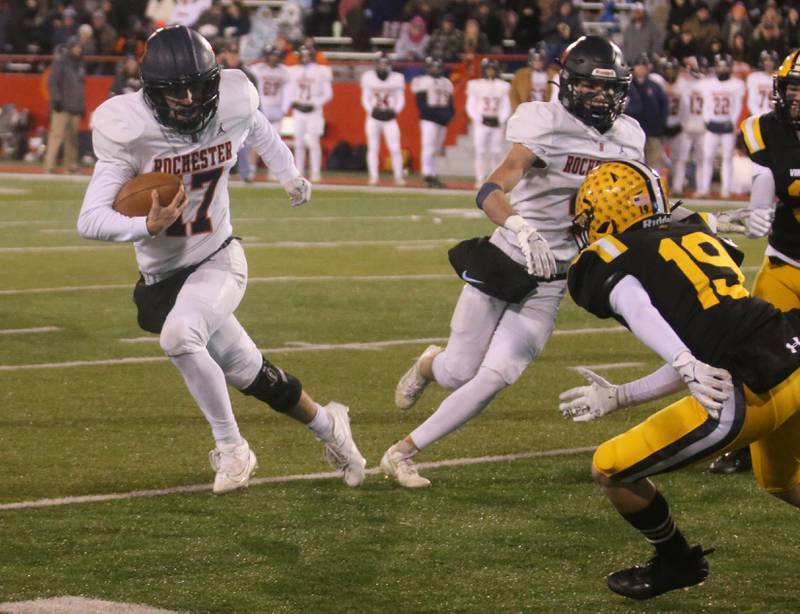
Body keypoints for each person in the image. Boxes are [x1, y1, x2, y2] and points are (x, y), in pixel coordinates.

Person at [76, 25, 366, 494]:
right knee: (253, 374)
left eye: (198, 86)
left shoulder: (233, 101)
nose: (189, 99)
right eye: (176, 90)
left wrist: (290, 175)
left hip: (218, 257)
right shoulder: (130, 130)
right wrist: (143, 226)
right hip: (163, 276)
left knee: (179, 335)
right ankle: (331, 426)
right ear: (151, 92)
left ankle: (232, 447)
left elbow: (259, 128)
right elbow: (89, 219)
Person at [381, 36, 645, 487]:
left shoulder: (629, 137)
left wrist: (709, 223)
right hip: (507, 258)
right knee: (457, 371)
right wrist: (520, 226)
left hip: (554, 277)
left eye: (609, 88)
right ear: (567, 84)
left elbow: (642, 203)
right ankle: (429, 364)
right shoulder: (545, 123)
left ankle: (402, 452)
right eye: (590, 87)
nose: (601, 97)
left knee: (497, 374)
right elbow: (492, 187)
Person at [558, 158, 800, 599]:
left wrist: (685, 363)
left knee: (610, 468)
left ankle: (676, 562)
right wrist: (623, 395)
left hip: (748, 387)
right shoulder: (693, 232)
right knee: (783, 481)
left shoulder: (609, 258)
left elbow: (635, 305)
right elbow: (709, 340)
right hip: (791, 353)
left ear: (608, 213)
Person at [709, 48, 800, 475]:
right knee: (758, 356)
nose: (797, 98)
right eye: (793, 88)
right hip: (784, 263)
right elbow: (762, 196)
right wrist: (754, 215)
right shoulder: (765, 131)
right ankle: (749, 443)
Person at [696, 53, 744, 198]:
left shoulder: (737, 84)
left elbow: (737, 106)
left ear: (730, 68)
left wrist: (733, 123)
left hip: (727, 124)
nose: (722, 69)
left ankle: (725, 190)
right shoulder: (709, 83)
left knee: (727, 158)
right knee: (707, 157)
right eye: (720, 66)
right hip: (713, 124)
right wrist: (707, 121)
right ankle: (704, 188)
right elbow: (706, 105)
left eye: (725, 66)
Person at [286, 45, 333, 183]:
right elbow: (288, 91)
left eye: (307, 55)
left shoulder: (321, 71)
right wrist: (294, 101)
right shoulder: (292, 71)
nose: (305, 58)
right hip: (299, 110)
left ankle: (315, 172)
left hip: (314, 111)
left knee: (314, 142)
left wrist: (315, 103)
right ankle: (298, 172)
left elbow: (328, 94)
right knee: (298, 142)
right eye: (303, 55)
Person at [360, 52, 406, 186]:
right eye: (380, 63)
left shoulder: (397, 78)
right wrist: (372, 111)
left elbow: (400, 99)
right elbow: (365, 98)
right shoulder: (368, 77)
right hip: (373, 117)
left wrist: (394, 111)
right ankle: (373, 176)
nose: (382, 66)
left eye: (385, 63)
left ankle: (398, 176)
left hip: (390, 118)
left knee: (395, 147)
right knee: (373, 147)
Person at [466, 58, 511, 188]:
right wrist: (479, 118)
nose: (490, 72)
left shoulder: (503, 86)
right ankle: (480, 178)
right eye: (488, 69)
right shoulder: (476, 85)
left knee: (496, 151)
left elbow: (506, 106)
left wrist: (500, 119)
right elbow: (470, 106)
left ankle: (495, 179)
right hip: (482, 122)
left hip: (496, 122)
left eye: (492, 69)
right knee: (480, 151)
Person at [411, 56, 454, 189]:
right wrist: (438, 115)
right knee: (428, 147)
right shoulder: (422, 81)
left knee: (435, 149)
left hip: (441, 119)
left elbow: (451, 104)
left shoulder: (447, 82)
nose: (435, 69)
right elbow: (420, 103)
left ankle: (433, 174)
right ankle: (427, 174)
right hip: (429, 118)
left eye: (437, 67)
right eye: (433, 66)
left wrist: (448, 116)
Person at [44, 36, 85, 175]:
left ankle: (71, 166)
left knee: (72, 139)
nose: (79, 49)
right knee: (57, 136)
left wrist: (81, 106)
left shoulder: (80, 64)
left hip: (75, 106)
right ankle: (49, 166)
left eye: (80, 47)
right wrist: (56, 100)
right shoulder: (61, 62)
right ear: (71, 47)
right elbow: (52, 83)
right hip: (62, 106)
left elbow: (80, 88)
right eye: (77, 46)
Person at [671, 55, 707, 196]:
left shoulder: (699, 84)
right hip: (688, 126)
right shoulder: (685, 84)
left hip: (699, 126)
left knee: (697, 159)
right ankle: (678, 187)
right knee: (683, 159)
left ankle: (699, 188)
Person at [625, 54, 669, 170]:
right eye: (638, 66)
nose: (640, 69)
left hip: (653, 132)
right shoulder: (627, 86)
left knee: (654, 164)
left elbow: (664, 105)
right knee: (634, 164)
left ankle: (654, 188)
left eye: (643, 66)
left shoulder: (654, 86)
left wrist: (661, 124)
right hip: (633, 132)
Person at [509, 44, 555, 113]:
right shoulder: (520, 75)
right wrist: (518, 111)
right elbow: (513, 94)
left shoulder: (552, 75)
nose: (537, 63)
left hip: (546, 110)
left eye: (540, 60)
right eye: (535, 60)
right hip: (527, 110)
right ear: (530, 61)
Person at [746, 50, 778, 117]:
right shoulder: (753, 77)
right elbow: (751, 100)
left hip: (776, 117)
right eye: (766, 60)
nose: (768, 63)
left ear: (775, 62)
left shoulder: (781, 78)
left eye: (771, 60)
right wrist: (758, 115)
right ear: (761, 62)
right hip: (758, 115)